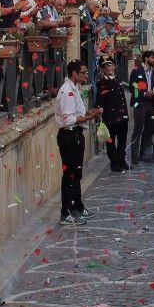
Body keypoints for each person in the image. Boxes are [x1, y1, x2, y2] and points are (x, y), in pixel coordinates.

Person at [55, 60, 103, 226]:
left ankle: (77, 207)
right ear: (74, 73)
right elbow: (69, 119)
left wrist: (90, 112)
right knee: (70, 175)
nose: (85, 75)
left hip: (75, 134)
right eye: (82, 72)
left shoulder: (74, 89)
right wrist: (90, 117)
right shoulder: (67, 91)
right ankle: (66, 212)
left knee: (77, 173)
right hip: (69, 136)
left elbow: (76, 113)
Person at [129, 50, 154, 166]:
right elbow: (133, 88)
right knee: (138, 130)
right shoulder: (137, 71)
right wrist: (144, 93)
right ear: (146, 58)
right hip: (140, 104)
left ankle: (145, 155)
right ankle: (134, 157)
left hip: (152, 103)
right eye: (152, 57)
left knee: (150, 130)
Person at [95, 59, 129, 172]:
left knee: (122, 140)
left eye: (110, 65)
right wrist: (100, 108)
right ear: (103, 69)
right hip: (111, 116)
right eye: (105, 66)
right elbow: (100, 99)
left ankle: (121, 160)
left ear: (114, 66)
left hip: (122, 115)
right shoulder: (102, 82)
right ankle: (114, 163)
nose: (108, 68)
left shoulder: (118, 79)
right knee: (110, 141)